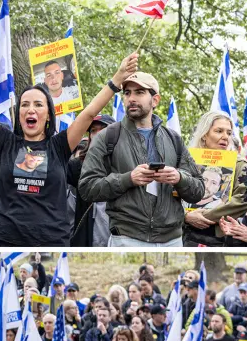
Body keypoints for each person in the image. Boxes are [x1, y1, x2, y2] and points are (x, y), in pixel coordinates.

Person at [0, 42, 137, 246]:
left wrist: (117, 78)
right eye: (25, 104)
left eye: (38, 104)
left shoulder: (60, 146)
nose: (31, 109)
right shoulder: (3, 142)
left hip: (52, 241)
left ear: (48, 115)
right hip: (5, 240)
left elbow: (90, 113)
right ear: (19, 114)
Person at [79, 71, 206, 246]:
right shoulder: (107, 137)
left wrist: (179, 178)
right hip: (126, 238)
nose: (131, 98)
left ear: (155, 100)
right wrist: (127, 179)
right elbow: (87, 188)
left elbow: (198, 190)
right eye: (127, 93)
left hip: (172, 240)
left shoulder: (174, 139)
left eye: (139, 92)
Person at [183, 112, 247, 246]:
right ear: (204, 134)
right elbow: (172, 198)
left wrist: (202, 216)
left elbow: (242, 201)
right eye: (219, 131)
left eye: (229, 133)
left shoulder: (239, 164)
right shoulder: (187, 161)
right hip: (184, 237)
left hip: (222, 238)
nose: (225, 137)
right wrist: (185, 217)